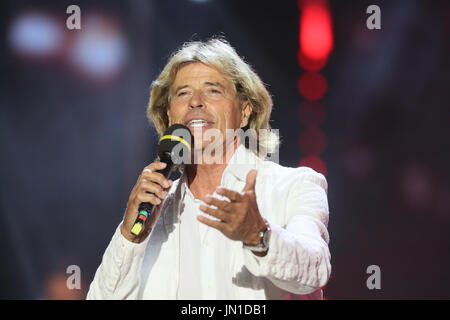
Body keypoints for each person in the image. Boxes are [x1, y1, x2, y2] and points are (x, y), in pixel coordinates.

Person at [86, 38, 331, 300]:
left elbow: (315, 268)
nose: (196, 102)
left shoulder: (294, 185)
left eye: (213, 91)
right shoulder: (152, 213)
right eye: (183, 93)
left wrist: (257, 234)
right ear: (170, 116)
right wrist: (129, 238)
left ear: (245, 111)